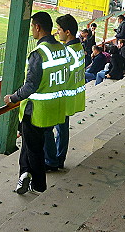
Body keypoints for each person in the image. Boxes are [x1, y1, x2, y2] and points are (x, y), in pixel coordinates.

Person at [4, 12, 69, 194]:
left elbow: (30, 86)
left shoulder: (38, 54)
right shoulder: (62, 50)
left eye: (32, 26)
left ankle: (39, 186)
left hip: (36, 111)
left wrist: (13, 98)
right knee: (29, 144)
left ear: (38, 27)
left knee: (34, 150)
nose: (32, 29)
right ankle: (24, 174)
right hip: (55, 109)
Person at [43, 14, 86, 172]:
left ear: (68, 32)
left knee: (46, 129)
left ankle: (52, 161)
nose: (57, 32)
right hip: (71, 97)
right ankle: (59, 159)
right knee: (62, 129)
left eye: (59, 30)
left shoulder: (68, 52)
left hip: (61, 98)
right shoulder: (78, 48)